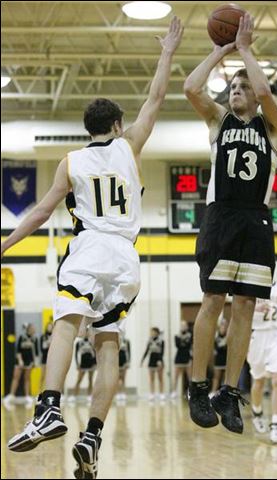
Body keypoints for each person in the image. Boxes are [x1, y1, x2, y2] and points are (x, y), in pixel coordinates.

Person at [2, 16, 183, 479]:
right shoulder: (131, 146)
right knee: (108, 345)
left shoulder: (71, 161)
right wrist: (166, 52)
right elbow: (157, 98)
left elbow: (40, 213)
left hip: (90, 249)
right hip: (127, 258)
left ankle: (48, 409)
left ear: (88, 128)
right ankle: (93, 436)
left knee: (65, 324)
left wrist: (5, 245)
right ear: (118, 126)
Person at [184, 12, 277, 434]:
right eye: (234, 87)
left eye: (245, 86)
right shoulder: (218, 121)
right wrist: (220, 49)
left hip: (257, 221)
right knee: (213, 301)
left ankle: (229, 392)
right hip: (222, 216)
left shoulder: (272, 126)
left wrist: (245, 51)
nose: (241, 90)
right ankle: (197, 385)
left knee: (244, 304)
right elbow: (191, 87)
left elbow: (264, 90)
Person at [247, 281, 277, 443]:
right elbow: (236, 308)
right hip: (256, 335)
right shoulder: (250, 284)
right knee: (258, 381)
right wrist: (254, 308)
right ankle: (257, 412)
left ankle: (276, 425)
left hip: (276, 335)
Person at [3, 323, 39, 409]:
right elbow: (18, 351)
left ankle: (27, 396)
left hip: (29, 361)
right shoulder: (22, 337)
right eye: (32, 328)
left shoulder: (35, 339)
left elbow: (36, 352)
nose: (34, 330)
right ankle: (11, 395)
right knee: (16, 378)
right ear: (28, 329)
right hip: (20, 361)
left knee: (27, 378)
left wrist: (35, 362)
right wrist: (20, 360)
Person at [68, 325, 96, 404]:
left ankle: (89, 396)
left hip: (91, 363)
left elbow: (95, 353)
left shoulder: (92, 342)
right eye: (85, 332)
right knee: (79, 380)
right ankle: (74, 396)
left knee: (90, 380)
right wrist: (77, 364)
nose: (86, 333)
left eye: (88, 332)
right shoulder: (79, 343)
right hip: (83, 364)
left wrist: (95, 363)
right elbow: (76, 354)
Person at [140, 327, 165, 401]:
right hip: (151, 360)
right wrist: (142, 361)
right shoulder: (149, 341)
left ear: (157, 332)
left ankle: (161, 393)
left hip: (159, 360)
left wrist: (160, 360)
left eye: (153, 332)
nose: (151, 333)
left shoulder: (161, 341)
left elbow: (162, 351)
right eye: (151, 332)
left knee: (160, 378)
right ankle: (152, 394)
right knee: (151, 379)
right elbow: (146, 351)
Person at [171, 320, 192, 398]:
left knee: (189, 376)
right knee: (176, 376)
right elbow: (178, 345)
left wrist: (183, 343)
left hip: (187, 356)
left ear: (187, 326)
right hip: (179, 357)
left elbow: (188, 345)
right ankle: (174, 392)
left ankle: (190, 392)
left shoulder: (190, 335)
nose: (183, 327)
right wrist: (183, 342)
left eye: (184, 325)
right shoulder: (177, 336)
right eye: (181, 325)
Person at [210, 317, 228, 396]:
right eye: (222, 325)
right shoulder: (216, 336)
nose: (223, 327)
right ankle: (213, 391)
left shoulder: (229, 336)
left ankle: (226, 393)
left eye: (225, 325)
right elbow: (217, 348)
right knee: (216, 377)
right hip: (219, 359)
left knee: (226, 378)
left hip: (227, 359)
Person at [116, 332, 131, 402]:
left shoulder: (127, 341)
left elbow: (129, 352)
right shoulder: (115, 340)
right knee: (118, 378)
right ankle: (118, 393)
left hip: (124, 361)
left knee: (123, 378)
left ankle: (123, 393)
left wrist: (128, 362)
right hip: (117, 361)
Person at [39, 321, 53, 391]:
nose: (50, 328)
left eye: (51, 327)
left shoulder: (55, 336)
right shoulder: (43, 337)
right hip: (45, 357)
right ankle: (40, 392)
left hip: (53, 358)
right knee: (43, 376)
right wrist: (47, 344)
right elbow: (42, 348)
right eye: (48, 327)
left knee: (53, 376)